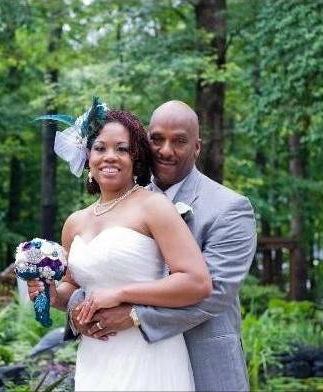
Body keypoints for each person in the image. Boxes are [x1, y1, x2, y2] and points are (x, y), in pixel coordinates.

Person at [64, 100, 258, 391]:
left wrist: (134, 315)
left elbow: (215, 292)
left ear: (197, 147)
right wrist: (77, 311)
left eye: (179, 141)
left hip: (203, 358)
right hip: (114, 358)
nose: (166, 150)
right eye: (157, 139)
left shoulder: (229, 208)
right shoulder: (123, 200)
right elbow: (93, 279)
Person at [29, 99, 213, 391]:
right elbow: (72, 289)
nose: (110, 156)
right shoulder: (74, 222)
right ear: (87, 155)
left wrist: (120, 295)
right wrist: (51, 293)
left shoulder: (153, 207)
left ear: (136, 158)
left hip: (149, 354)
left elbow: (196, 282)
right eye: (100, 148)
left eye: (122, 149)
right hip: (96, 355)